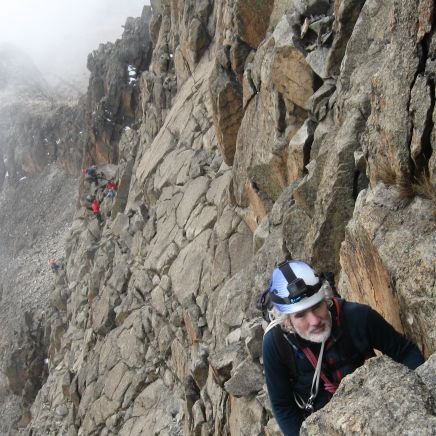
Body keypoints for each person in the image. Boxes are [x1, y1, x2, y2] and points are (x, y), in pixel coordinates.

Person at [260, 259, 424, 436]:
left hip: (376, 410)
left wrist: (421, 393)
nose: (314, 321)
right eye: (301, 315)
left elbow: (405, 352)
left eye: (317, 306)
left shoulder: (357, 317)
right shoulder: (276, 345)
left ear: (326, 299)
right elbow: (284, 407)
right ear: (287, 321)